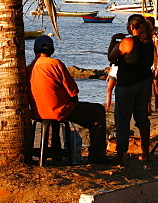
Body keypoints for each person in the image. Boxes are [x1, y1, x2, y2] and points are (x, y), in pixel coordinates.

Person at [28, 35, 108, 163]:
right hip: (59, 111)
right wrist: (73, 101)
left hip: (38, 112)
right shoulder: (55, 64)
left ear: (35, 50)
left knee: (52, 120)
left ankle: (55, 152)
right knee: (98, 111)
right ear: (52, 50)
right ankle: (97, 156)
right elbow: (73, 91)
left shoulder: (29, 68)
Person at [108, 14, 155, 163]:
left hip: (127, 83)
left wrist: (113, 40)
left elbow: (111, 56)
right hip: (145, 81)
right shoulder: (149, 42)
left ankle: (120, 153)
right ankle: (146, 153)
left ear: (131, 27)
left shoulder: (128, 42)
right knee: (142, 118)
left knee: (123, 119)